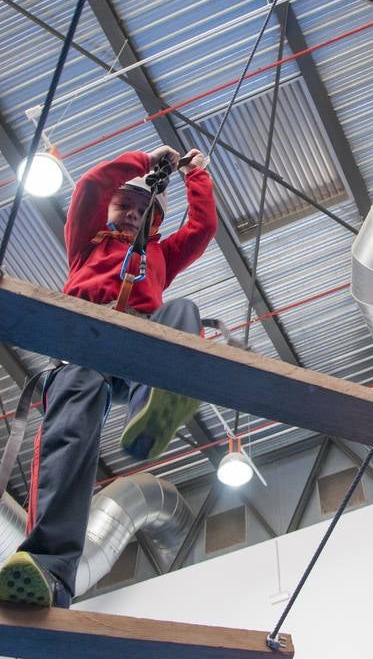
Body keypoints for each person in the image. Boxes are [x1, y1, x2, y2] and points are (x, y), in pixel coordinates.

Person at [0, 145, 217, 608]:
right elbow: (90, 187)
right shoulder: (87, 242)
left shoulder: (160, 254)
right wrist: (144, 160)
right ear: (110, 208)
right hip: (84, 345)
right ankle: (49, 569)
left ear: (154, 223)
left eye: (144, 211)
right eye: (126, 204)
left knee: (181, 311)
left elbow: (202, 230)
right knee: (69, 434)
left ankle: (151, 408)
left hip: (138, 346)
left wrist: (195, 177)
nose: (133, 213)